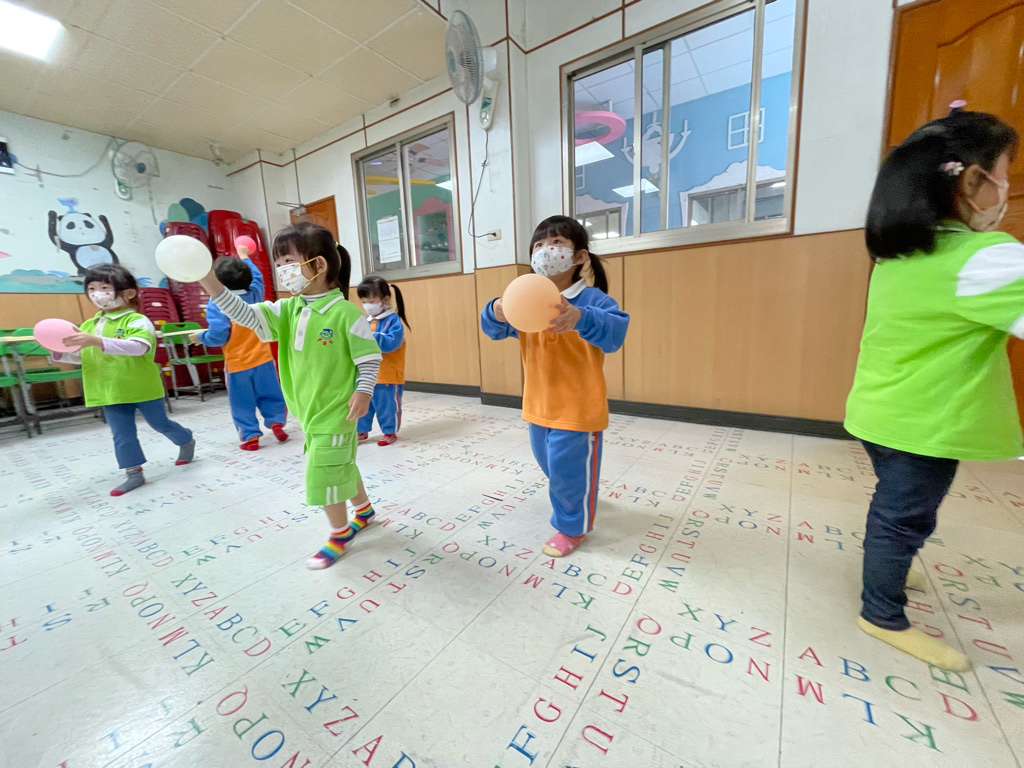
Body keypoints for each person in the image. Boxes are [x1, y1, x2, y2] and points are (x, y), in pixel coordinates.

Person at [846, 106, 1021, 671]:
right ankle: (881, 613)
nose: (1007, 189)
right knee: (903, 519)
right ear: (972, 182)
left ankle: (889, 565)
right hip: (923, 425)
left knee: (898, 511)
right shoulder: (985, 260)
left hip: (878, 413)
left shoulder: (896, 258)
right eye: (1004, 174)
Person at [196, 222, 382, 570]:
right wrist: (209, 281)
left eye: (288, 261)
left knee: (323, 471)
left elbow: (369, 358)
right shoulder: (288, 309)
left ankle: (340, 533)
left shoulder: (345, 313)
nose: (281, 270)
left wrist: (363, 390)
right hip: (308, 410)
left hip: (337, 410)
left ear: (319, 264)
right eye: (278, 262)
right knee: (339, 463)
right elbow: (244, 314)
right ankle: (365, 511)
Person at [480, 215, 629, 558]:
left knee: (566, 470)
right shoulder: (529, 297)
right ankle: (578, 493)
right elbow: (495, 329)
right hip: (538, 406)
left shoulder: (591, 299)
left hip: (578, 409)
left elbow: (615, 333)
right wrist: (497, 309)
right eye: (538, 245)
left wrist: (581, 317)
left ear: (580, 256)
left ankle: (572, 527)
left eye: (556, 243)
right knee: (551, 465)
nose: (545, 250)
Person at [57, 263, 195, 496]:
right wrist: (59, 352)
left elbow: (138, 347)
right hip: (109, 390)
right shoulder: (89, 325)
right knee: (122, 434)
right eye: (91, 288)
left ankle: (186, 440)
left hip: (142, 387)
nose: (97, 294)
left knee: (160, 424)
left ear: (129, 293)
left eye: (104, 288)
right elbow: (86, 355)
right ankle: (134, 473)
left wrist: (97, 341)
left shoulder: (136, 320)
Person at [193, 256, 288, 451]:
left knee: (241, 403)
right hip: (264, 360)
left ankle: (250, 436)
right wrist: (245, 255)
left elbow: (218, 336)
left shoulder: (217, 304)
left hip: (238, 366)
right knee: (271, 394)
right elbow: (258, 277)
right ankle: (276, 423)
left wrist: (200, 337)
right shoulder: (255, 294)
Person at [355, 275, 409, 446]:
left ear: (385, 300)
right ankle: (361, 431)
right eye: (364, 301)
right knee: (363, 405)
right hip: (365, 375)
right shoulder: (363, 320)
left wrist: (370, 336)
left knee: (387, 406)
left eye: (371, 301)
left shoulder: (393, 320)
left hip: (387, 376)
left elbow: (392, 343)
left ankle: (389, 431)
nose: (367, 305)